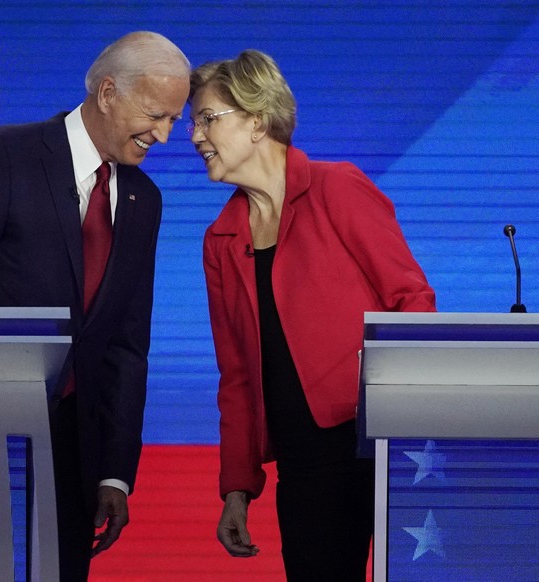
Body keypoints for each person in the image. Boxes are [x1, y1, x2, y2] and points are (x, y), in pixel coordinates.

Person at [0, 31, 190, 581]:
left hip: (74, 459)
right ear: (108, 93)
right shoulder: (4, 156)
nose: (164, 135)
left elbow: (128, 346)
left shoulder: (143, 200)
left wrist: (114, 473)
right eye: (156, 115)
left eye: (175, 120)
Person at [189, 50, 436, 580]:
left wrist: (410, 418)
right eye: (193, 122)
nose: (194, 136)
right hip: (304, 459)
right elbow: (235, 375)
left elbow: (412, 301)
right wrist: (237, 486)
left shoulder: (336, 187)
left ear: (256, 119)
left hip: (384, 441)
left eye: (207, 118)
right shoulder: (220, 240)